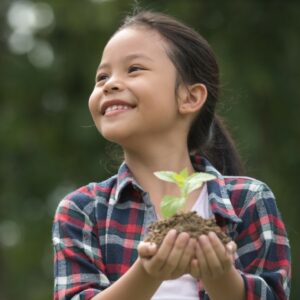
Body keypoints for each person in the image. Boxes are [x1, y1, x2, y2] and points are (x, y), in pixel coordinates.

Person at [52, 10, 291, 300]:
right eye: (102, 76)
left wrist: (221, 278)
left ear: (189, 97)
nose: (109, 84)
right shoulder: (82, 211)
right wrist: (148, 273)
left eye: (134, 69)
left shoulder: (249, 201)